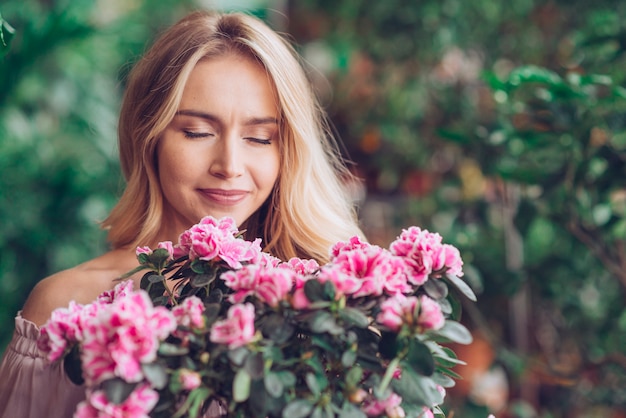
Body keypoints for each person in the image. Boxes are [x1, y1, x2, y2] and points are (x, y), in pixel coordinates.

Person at [0, 9, 364, 418]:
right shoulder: (64, 308)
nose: (229, 164)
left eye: (260, 138)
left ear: (288, 152)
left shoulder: (330, 303)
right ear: (147, 135)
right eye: (197, 132)